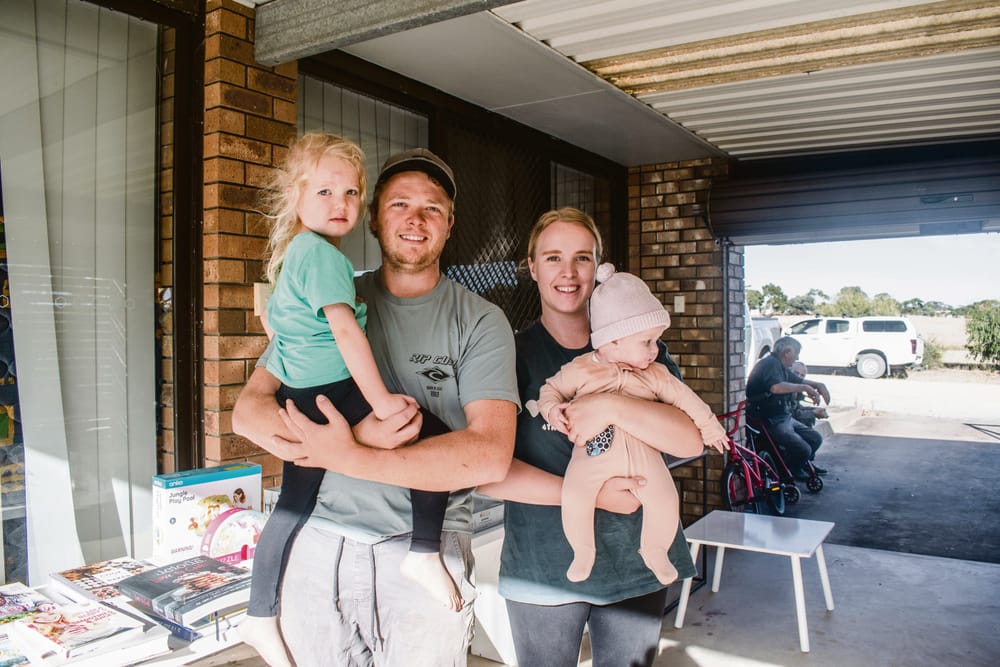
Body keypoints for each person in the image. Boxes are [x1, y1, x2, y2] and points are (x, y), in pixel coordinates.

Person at [232, 147, 519, 666]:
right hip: (317, 548)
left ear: (450, 225)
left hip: (424, 551)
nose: (415, 219)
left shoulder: (480, 320)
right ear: (373, 218)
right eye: (399, 204)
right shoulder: (331, 293)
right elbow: (249, 412)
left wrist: (349, 455)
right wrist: (354, 439)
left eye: (431, 208)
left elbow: (489, 455)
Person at [476, 208, 708, 667]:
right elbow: (484, 473)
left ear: (598, 267)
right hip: (543, 566)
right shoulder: (511, 354)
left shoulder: (642, 349)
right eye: (553, 257)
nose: (568, 272)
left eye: (582, 258)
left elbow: (690, 441)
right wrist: (592, 495)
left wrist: (612, 406)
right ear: (532, 267)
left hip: (636, 563)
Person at [531, 263, 728, 585]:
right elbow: (550, 390)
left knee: (665, 499)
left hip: (645, 459)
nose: (654, 350)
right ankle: (583, 550)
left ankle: (655, 550)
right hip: (592, 455)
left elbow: (688, 400)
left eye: (655, 341)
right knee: (576, 493)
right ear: (613, 341)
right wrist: (552, 410)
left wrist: (711, 428)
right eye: (646, 341)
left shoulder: (656, 374)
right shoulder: (581, 369)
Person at [746, 336, 830, 480]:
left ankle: (798, 466)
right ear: (787, 352)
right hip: (769, 419)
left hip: (783, 417)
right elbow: (775, 387)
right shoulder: (770, 364)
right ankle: (790, 473)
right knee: (804, 449)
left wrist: (818, 385)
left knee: (815, 438)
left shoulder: (779, 365)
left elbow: (798, 380)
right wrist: (805, 388)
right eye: (796, 353)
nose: (797, 357)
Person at [790, 361, 829, 428]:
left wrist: (815, 410)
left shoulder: (796, 391)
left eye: (802, 375)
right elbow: (789, 414)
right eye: (796, 373)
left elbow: (797, 408)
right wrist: (812, 413)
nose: (798, 377)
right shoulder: (783, 389)